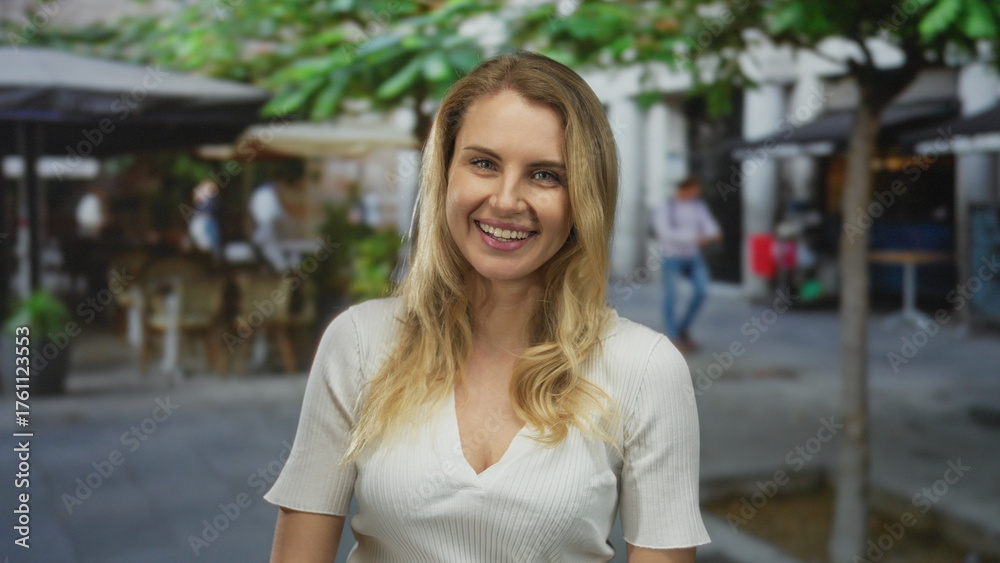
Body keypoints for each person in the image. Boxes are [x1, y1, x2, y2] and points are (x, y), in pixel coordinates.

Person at [265, 51, 709, 562]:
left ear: (584, 199)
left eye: (545, 175)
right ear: (445, 174)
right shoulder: (360, 342)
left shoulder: (646, 369)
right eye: (483, 163)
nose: (505, 200)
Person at [651, 176, 722, 352]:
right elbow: (664, 232)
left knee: (701, 291)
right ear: (683, 189)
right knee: (672, 296)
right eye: (692, 190)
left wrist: (712, 234)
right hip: (672, 256)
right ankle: (673, 336)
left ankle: (683, 329)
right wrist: (693, 237)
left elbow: (709, 226)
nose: (695, 193)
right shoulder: (666, 207)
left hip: (693, 255)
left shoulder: (698, 206)